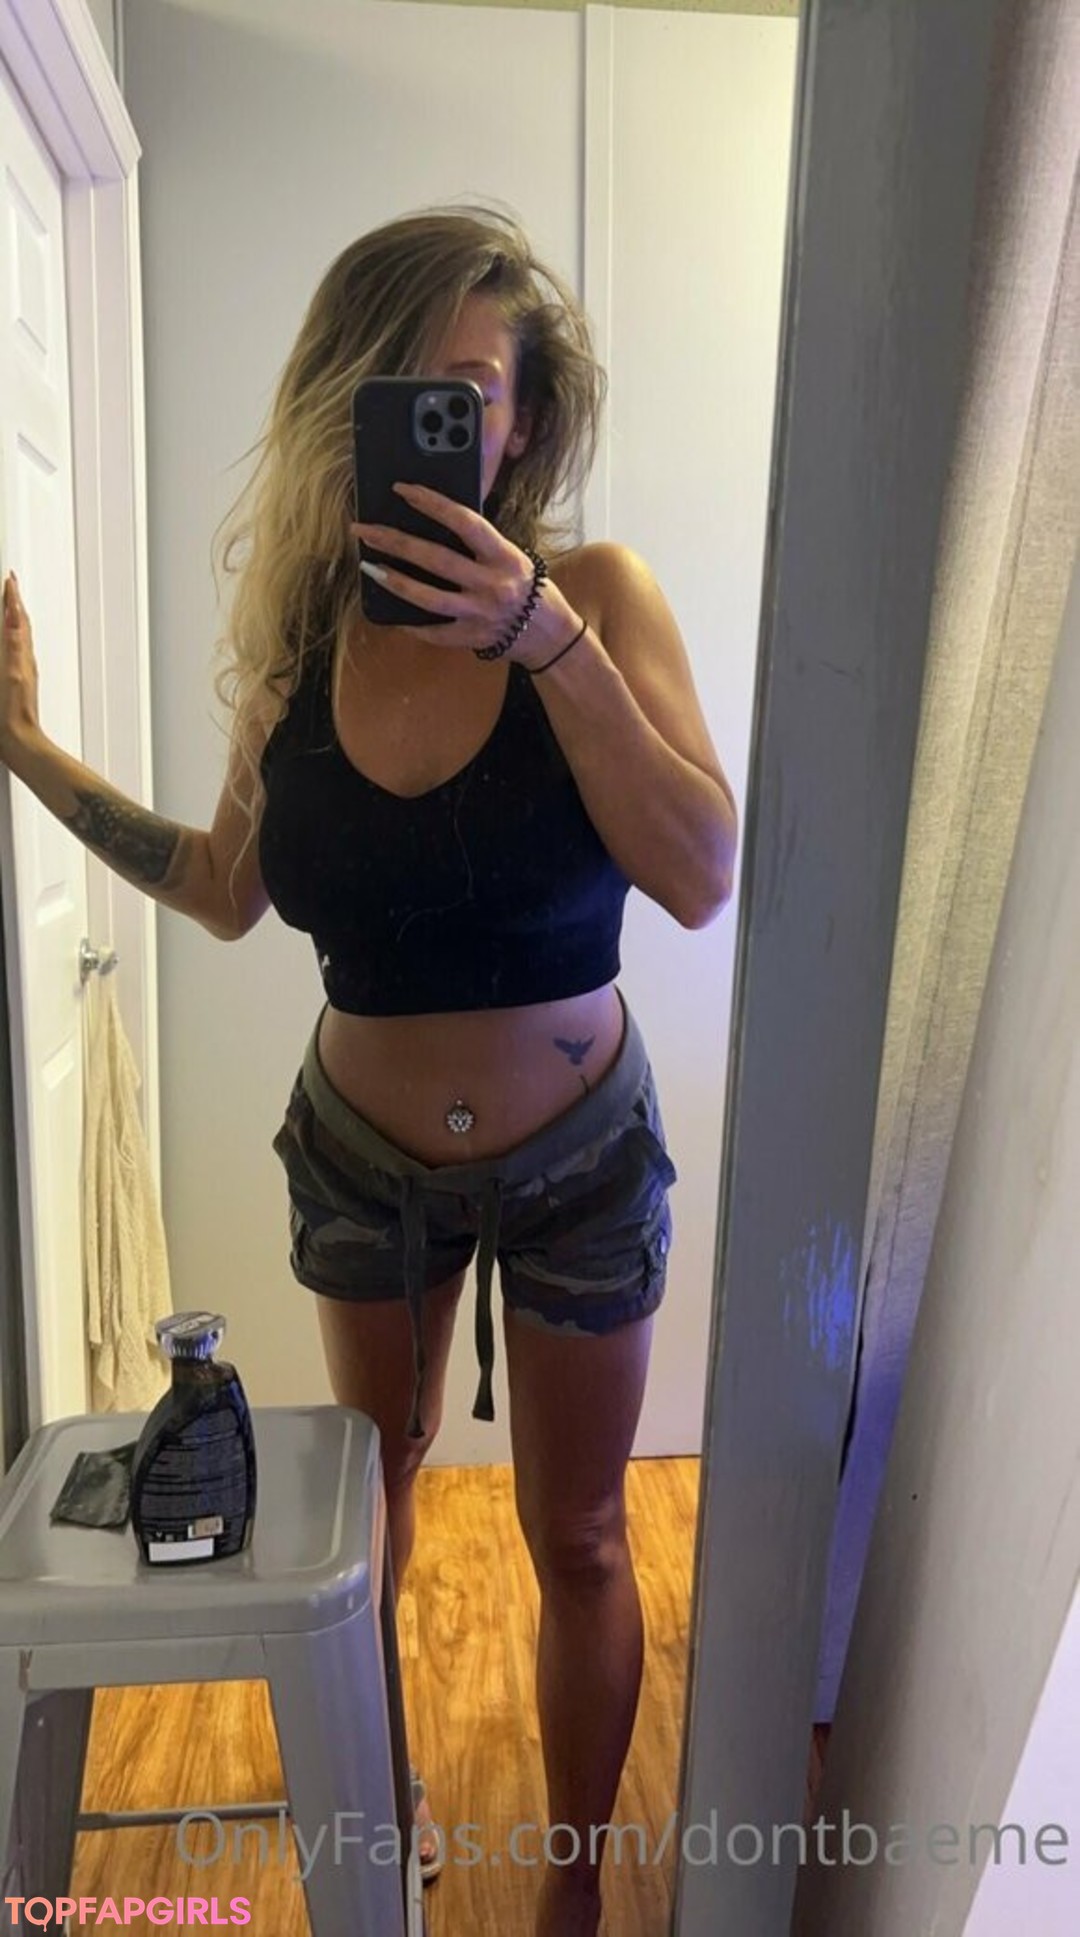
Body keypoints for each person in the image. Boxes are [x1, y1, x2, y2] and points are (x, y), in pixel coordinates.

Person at [0, 205, 737, 1937]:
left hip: (581, 1156)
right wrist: (22, 748)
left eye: (468, 387)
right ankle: (380, 1826)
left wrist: (544, 639)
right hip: (361, 1167)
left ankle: (571, 1887)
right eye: (398, 384)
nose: (438, 417)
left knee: (578, 1533)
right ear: (344, 403)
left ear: (524, 418)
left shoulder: (600, 600)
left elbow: (702, 870)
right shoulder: (302, 655)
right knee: (375, 1519)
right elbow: (223, 886)